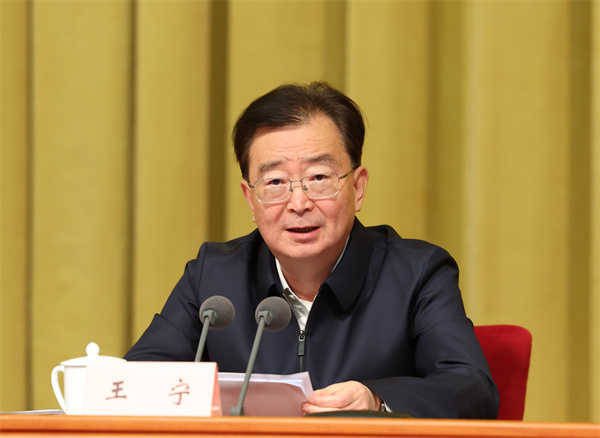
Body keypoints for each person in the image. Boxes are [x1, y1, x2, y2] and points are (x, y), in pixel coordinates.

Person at [124, 81, 499, 418]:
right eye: (275, 182)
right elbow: (136, 380)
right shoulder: (214, 276)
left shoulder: (416, 273)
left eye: (319, 177)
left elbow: (472, 388)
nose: (298, 203)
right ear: (250, 199)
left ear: (358, 188)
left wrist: (376, 398)